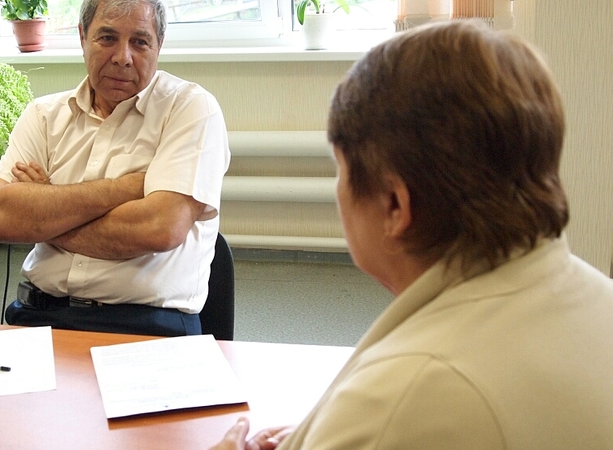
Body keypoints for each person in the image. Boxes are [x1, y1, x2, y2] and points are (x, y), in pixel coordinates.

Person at [212, 20, 613, 450]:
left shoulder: (406, 398)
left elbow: (410, 413)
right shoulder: (599, 300)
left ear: (394, 206)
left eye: (340, 170)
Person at [0, 0, 230, 337]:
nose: (122, 57)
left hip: (148, 325)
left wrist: (42, 215)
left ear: (159, 45)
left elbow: (159, 229)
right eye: (108, 38)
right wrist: (123, 189)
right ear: (83, 37)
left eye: (140, 42)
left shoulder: (190, 109)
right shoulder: (43, 115)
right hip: (38, 315)